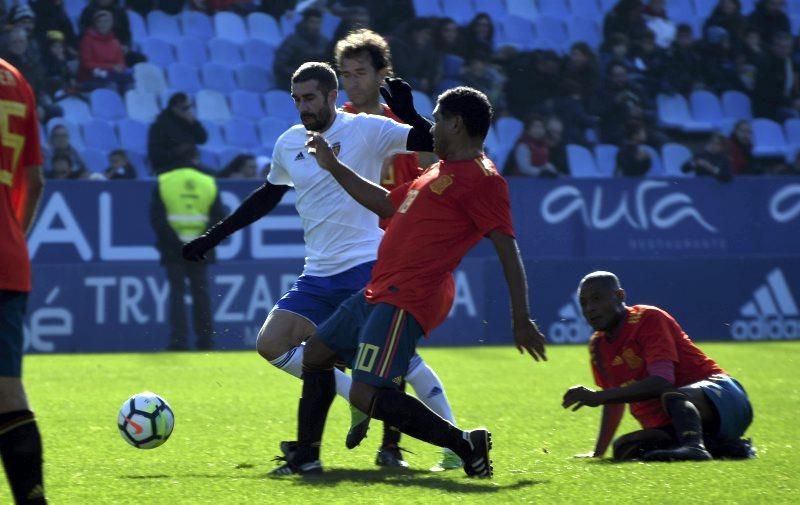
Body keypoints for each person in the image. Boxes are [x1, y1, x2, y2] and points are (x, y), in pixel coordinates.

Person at [181, 62, 453, 468]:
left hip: (367, 265)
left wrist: (410, 112)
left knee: (402, 361)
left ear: (330, 96)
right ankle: (349, 406)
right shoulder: (290, 142)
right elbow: (267, 196)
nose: (302, 106)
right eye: (296, 99)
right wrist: (214, 235)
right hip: (318, 274)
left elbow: (438, 143)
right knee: (271, 344)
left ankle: (453, 442)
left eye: (310, 98)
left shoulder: (365, 128)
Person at [269, 83, 547, 477]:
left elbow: (507, 250)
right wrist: (333, 167)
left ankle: (464, 444)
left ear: (456, 123)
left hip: (407, 297)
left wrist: (521, 317)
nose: (429, 128)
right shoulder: (438, 170)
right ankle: (307, 458)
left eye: (435, 119)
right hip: (377, 289)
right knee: (315, 354)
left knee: (366, 393)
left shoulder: (485, 180)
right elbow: (385, 203)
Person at [335, 28, 460, 471]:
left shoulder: (405, 127)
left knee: (391, 353)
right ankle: (428, 436)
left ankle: (399, 443)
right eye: (345, 74)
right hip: (350, 254)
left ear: (383, 73)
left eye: (361, 72)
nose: (352, 82)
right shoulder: (338, 126)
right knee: (369, 350)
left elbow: (438, 169)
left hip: (397, 254)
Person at [562, 271, 754, 462]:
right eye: (584, 303)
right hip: (678, 421)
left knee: (672, 395)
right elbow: (613, 401)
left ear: (620, 296)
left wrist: (598, 397)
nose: (590, 308)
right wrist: (598, 452)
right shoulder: (598, 346)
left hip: (724, 399)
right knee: (624, 448)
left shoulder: (648, 319)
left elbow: (662, 382)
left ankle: (694, 447)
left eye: (597, 299)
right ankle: (725, 447)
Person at [0, 57, 47, 504]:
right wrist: (11, 234)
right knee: (7, 391)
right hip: (7, 257)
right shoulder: (14, 79)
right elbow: (34, 178)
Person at [151, 145, 223, 350]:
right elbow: (219, 218)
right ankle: (206, 342)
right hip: (201, 249)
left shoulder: (164, 182)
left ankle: (178, 341)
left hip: (173, 250)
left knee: (177, 294)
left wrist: (175, 244)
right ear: (195, 157)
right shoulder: (207, 182)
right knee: (201, 294)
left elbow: (157, 219)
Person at [147, 92, 208, 174]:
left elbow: (202, 139)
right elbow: (156, 155)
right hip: (168, 168)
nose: (188, 111)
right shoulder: (159, 126)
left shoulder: (188, 123)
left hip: (188, 165)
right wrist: (179, 151)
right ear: (174, 108)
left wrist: (194, 124)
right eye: (185, 108)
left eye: (189, 107)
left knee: (217, 175)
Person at [272, 9, 330, 91]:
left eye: (318, 22)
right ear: (305, 22)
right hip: (293, 83)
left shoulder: (324, 43)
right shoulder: (292, 41)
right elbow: (279, 66)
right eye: (312, 22)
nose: (316, 26)